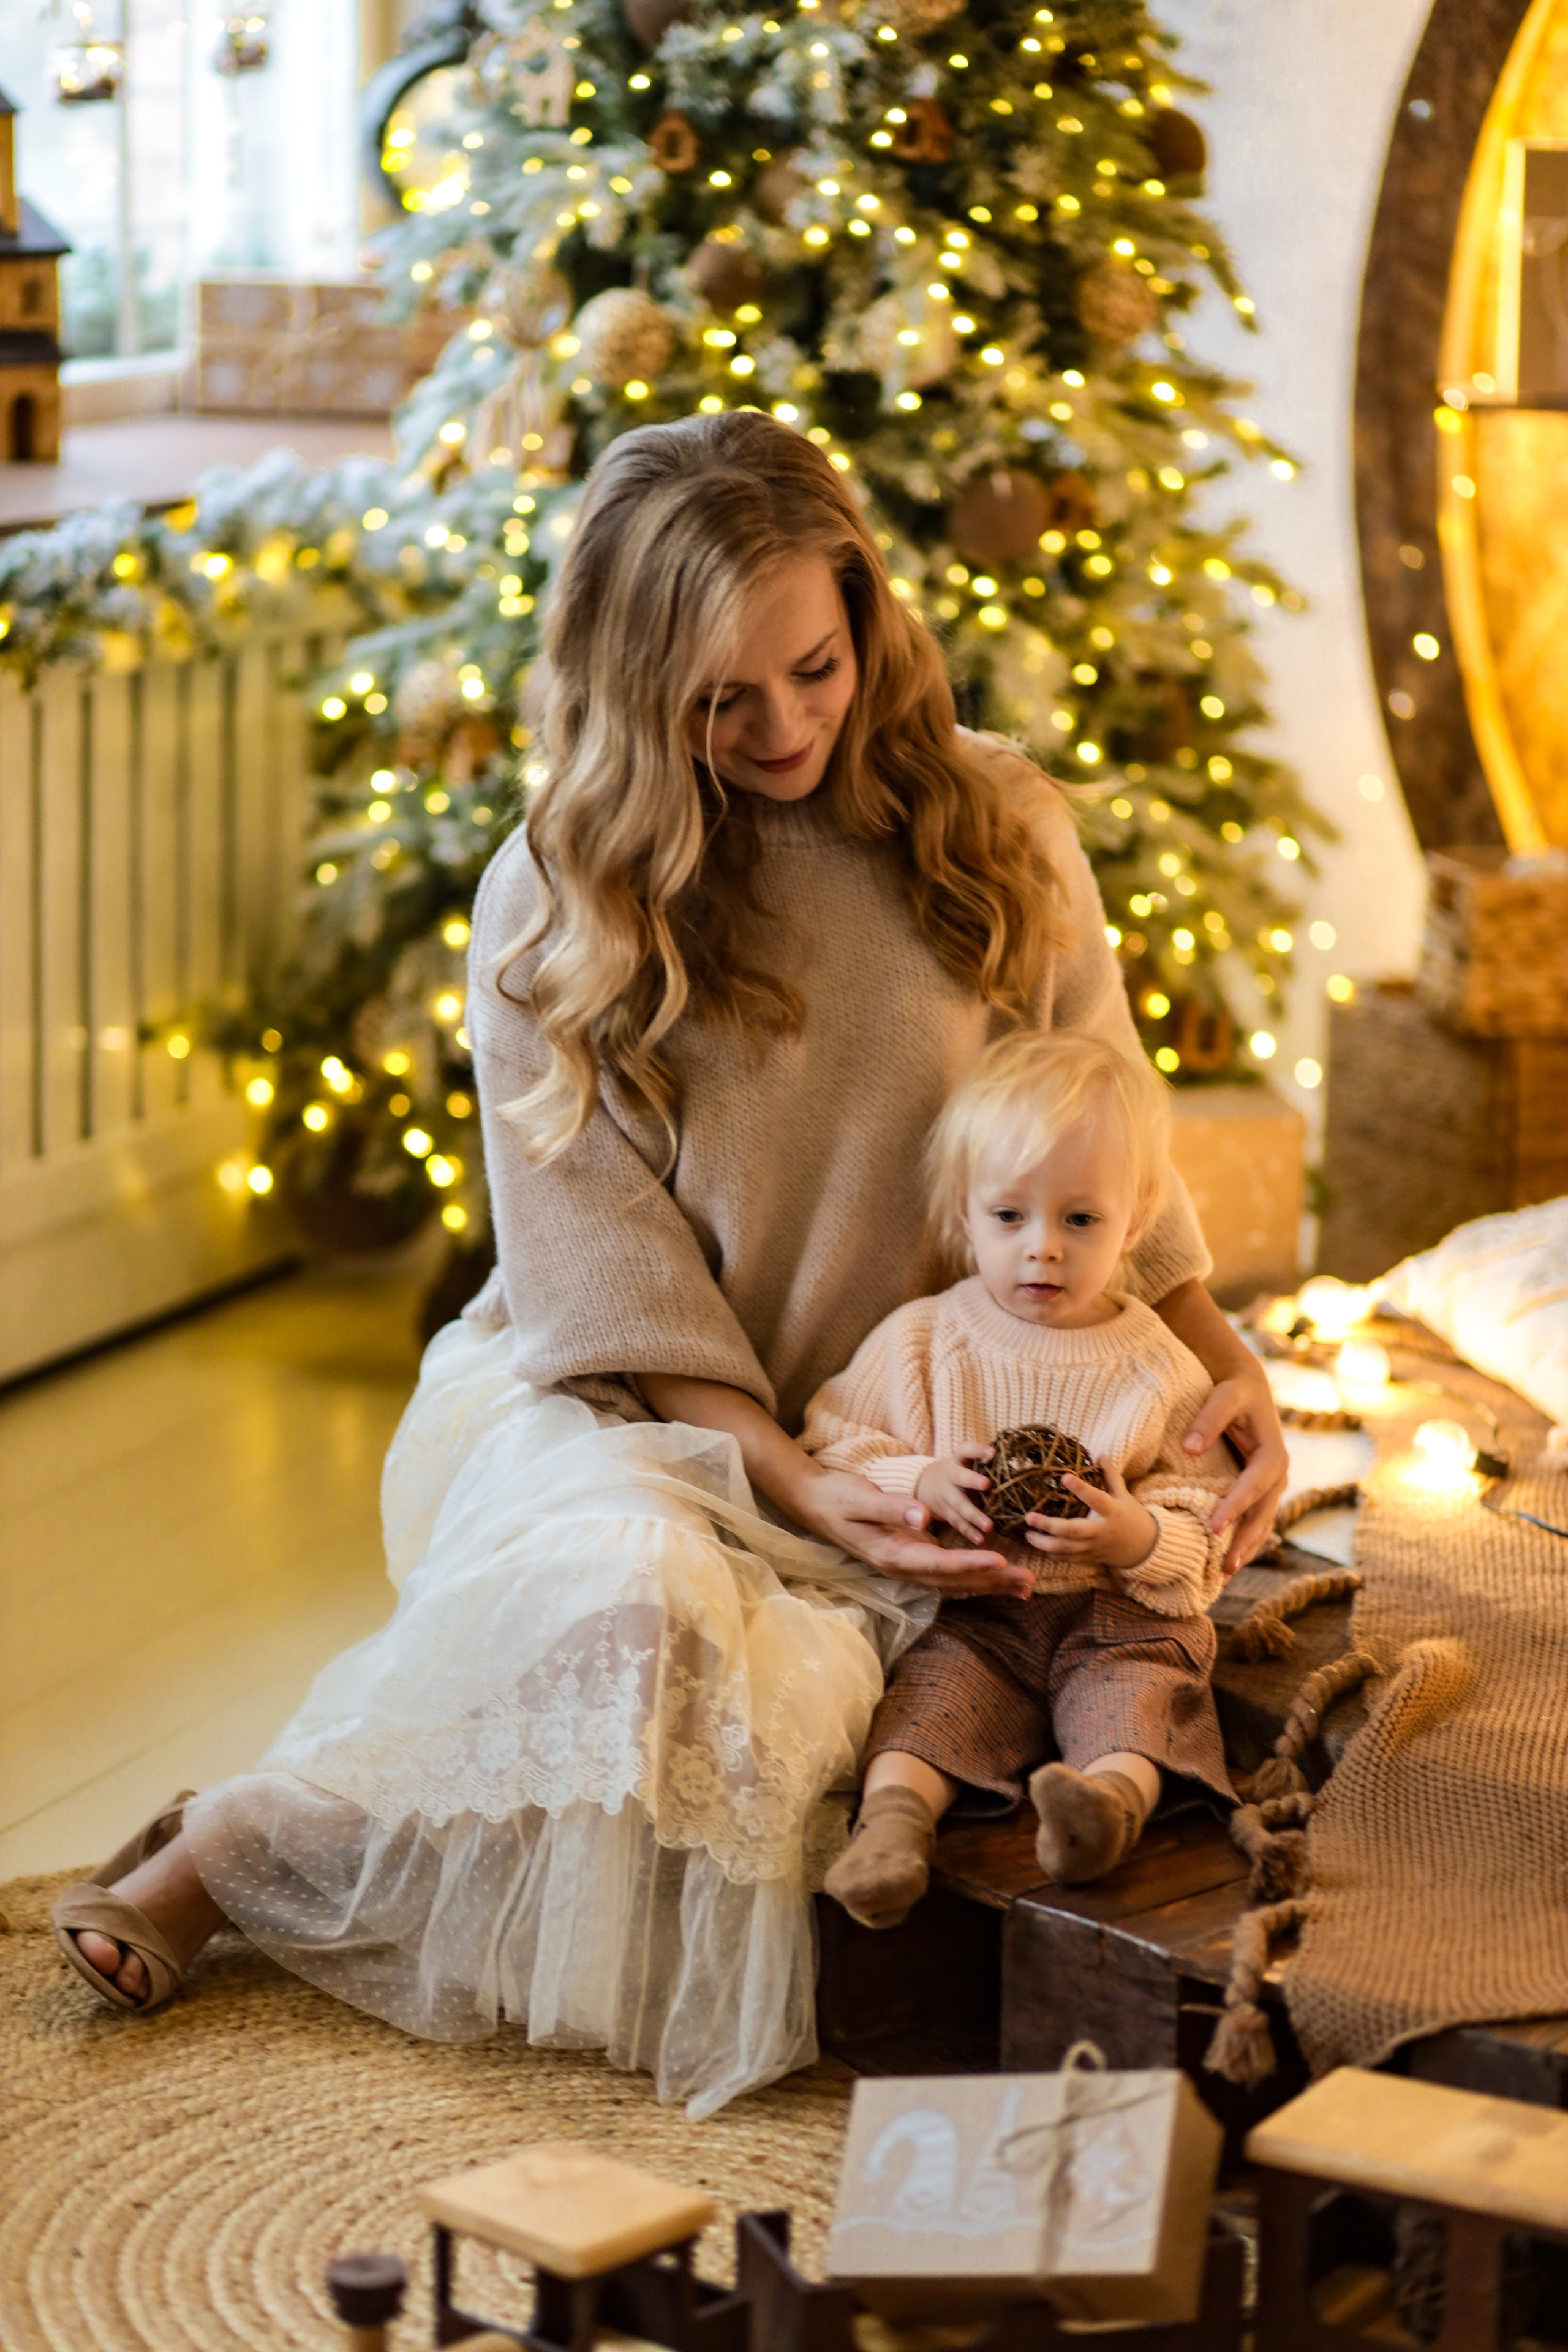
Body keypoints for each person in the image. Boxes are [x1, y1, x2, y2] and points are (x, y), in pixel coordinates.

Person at [51, 412, 1287, 2117]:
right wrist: (778, 1474)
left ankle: (274, 1827)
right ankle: (241, 1838)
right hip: (636, 1402)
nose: (782, 728)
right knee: (632, 1611)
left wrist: (1229, 1370)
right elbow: (600, 1265)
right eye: (721, 698)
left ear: (868, 623)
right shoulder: (553, 901)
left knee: (782, 1747)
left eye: (816, 667)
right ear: (633, 689)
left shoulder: (1000, 826)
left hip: (921, 1421)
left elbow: (1100, 1133)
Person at [807, 1028, 1234, 1934]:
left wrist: (1140, 1537)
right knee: (926, 1698)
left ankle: (1102, 1812)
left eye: (1080, 1220)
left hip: (1117, 1616)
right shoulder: (925, 1342)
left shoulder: (1157, 1365)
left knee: (1142, 1697)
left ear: (1138, 1217)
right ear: (965, 1213)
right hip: (981, 1614)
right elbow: (832, 1446)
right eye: (1012, 1218)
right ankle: (892, 1827)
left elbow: (1210, 1516)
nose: (1043, 1249)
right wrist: (917, 1475)